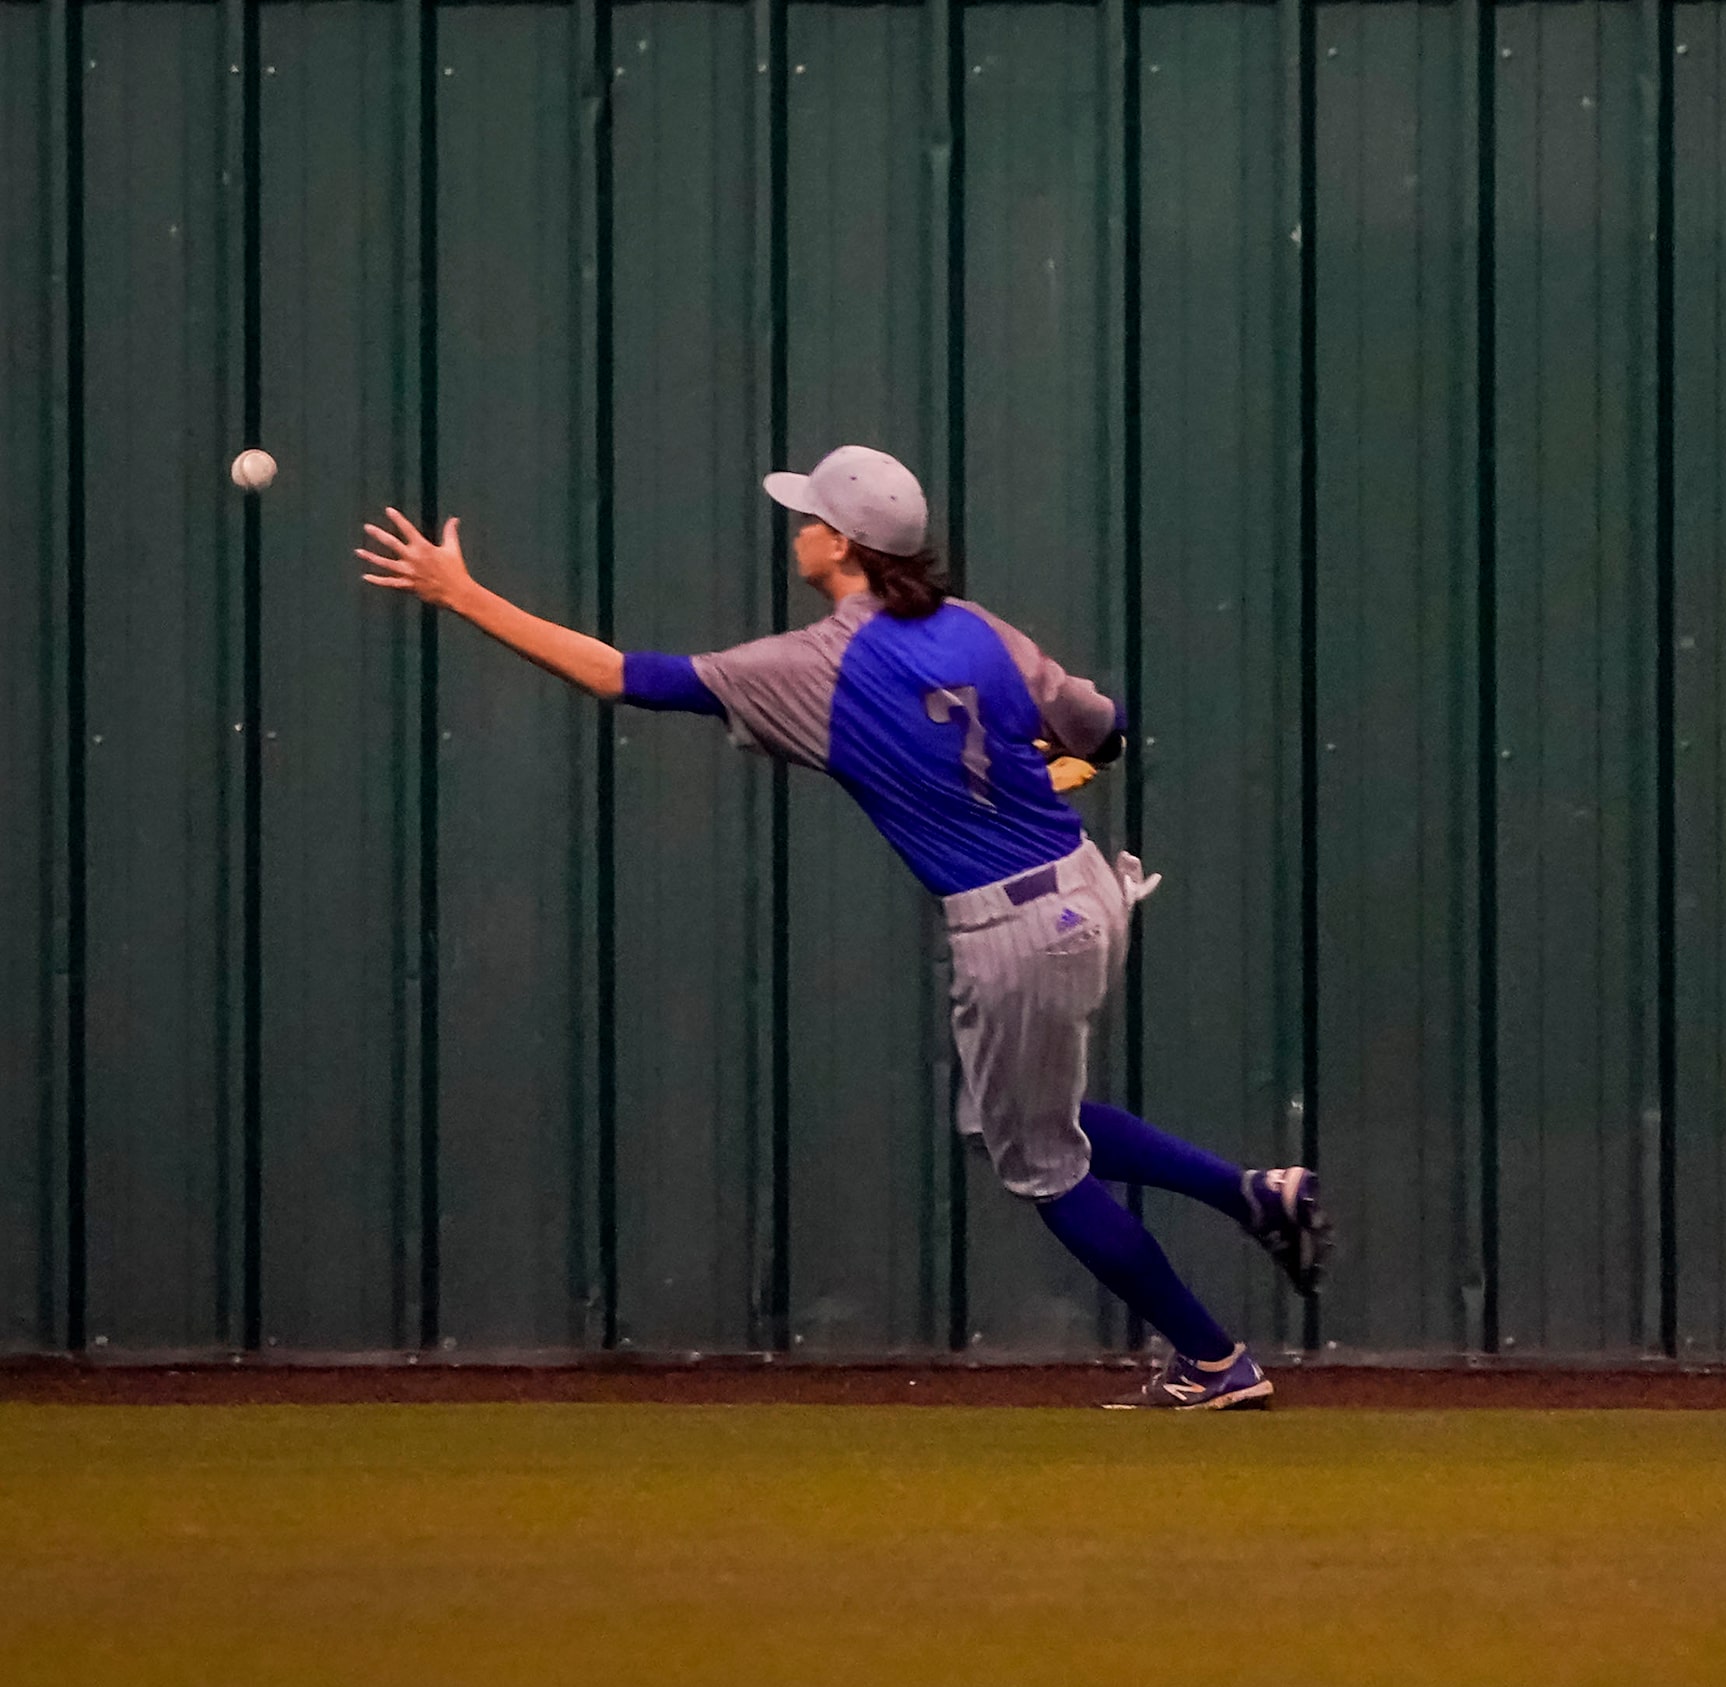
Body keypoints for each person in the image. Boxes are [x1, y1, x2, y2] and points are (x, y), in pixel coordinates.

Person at [358, 444, 1325, 1405]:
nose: (798, 531)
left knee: (1041, 1166)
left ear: (841, 543)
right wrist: (1068, 762)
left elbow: (620, 677)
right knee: (1017, 1125)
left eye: (808, 518)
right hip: (1084, 888)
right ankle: (1252, 1194)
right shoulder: (976, 627)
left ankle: (1211, 1360)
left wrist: (463, 595)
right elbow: (1101, 728)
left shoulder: (814, 666)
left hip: (1013, 929)